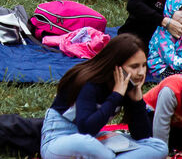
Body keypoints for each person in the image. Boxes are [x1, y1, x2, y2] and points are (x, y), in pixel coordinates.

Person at [39, 33, 167, 159]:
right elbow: (86, 129)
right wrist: (115, 96)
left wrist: (137, 101)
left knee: (158, 146)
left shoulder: (127, 85)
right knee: (85, 143)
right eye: (134, 66)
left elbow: (141, 135)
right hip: (61, 139)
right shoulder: (89, 83)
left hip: (97, 141)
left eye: (144, 65)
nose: (141, 72)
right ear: (116, 66)